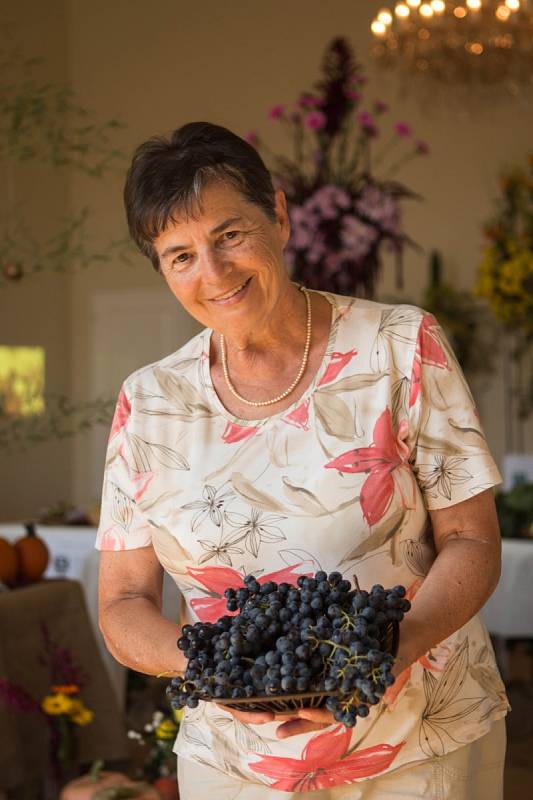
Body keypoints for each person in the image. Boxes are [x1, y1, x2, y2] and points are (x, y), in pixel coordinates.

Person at [96, 121, 508, 799]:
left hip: (413, 742)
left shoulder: (398, 346)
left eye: (229, 235)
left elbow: (469, 539)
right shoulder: (148, 402)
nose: (214, 272)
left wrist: (376, 658)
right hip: (234, 765)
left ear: (279, 216)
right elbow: (123, 599)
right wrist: (218, 671)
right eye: (180, 255)